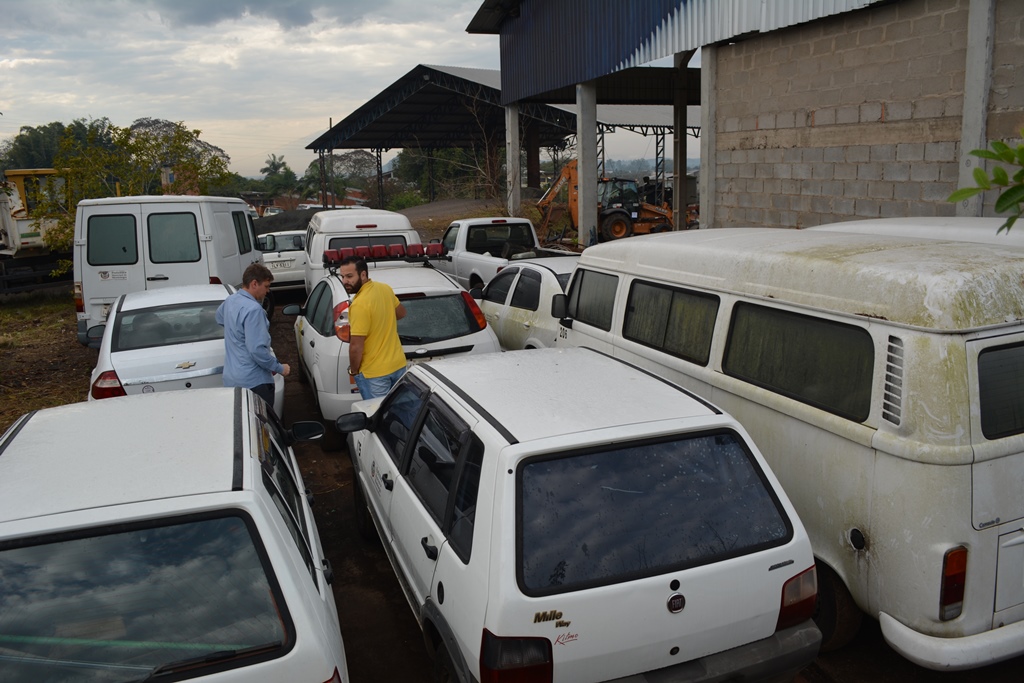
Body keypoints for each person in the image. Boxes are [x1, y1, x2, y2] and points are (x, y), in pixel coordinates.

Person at [216, 262, 289, 410]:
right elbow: (257, 350)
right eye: (266, 286)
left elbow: (219, 318)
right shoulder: (254, 310)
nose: (267, 291)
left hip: (232, 380)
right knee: (261, 426)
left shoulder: (230, 301)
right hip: (255, 383)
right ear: (254, 283)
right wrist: (280, 368)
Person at [338, 255, 407, 399]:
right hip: (399, 365)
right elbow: (401, 313)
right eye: (342, 277)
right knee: (401, 415)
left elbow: (356, 346)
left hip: (375, 374)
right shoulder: (385, 289)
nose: (345, 281)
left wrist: (354, 371)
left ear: (363, 274)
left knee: (376, 415)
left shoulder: (359, 304)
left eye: (349, 276)